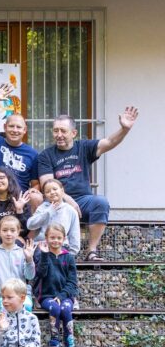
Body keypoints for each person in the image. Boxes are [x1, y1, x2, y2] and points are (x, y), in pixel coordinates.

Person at [37, 108, 138, 261]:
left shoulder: (84, 147)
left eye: (63, 131)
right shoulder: (46, 155)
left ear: (73, 133)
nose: (59, 135)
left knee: (101, 202)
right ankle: (57, 253)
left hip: (84, 200)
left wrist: (124, 129)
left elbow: (109, 142)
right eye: (55, 131)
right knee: (59, 206)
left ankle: (91, 251)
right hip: (58, 202)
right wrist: (68, 200)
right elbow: (47, 185)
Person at [35, 223, 79, 347]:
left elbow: (72, 282)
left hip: (64, 296)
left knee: (65, 309)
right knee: (55, 308)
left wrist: (61, 296)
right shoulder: (42, 254)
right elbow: (41, 274)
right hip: (46, 296)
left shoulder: (69, 258)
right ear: (46, 238)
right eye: (52, 237)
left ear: (64, 238)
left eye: (59, 238)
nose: (55, 241)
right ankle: (54, 345)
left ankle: (69, 345)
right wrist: (44, 254)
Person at [0, 216, 36, 311]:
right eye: (5, 230)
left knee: (25, 307)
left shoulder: (23, 252)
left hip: (21, 295)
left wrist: (29, 259)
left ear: (18, 232)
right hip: (2, 296)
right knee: (6, 308)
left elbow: (30, 276)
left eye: (12, 230)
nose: (8, 233)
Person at [0, 167, 31, 252]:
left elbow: (25, 229)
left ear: (9, 179)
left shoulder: (20, 200)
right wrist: (5, 236)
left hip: (15, 240)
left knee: (16, 243)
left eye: (1, 178)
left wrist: (19, 211)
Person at [27, 178, 81, 255]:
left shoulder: (70, 210)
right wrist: (48, 212)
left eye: (55, 189)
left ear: (62, 191)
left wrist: (72, 253)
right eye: (48, 191)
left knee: (60, 261)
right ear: (45, 195)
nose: (52, 192)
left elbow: (74, 233)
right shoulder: (42, 208)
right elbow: (30, 225)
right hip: (42, 245)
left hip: (62, 246)